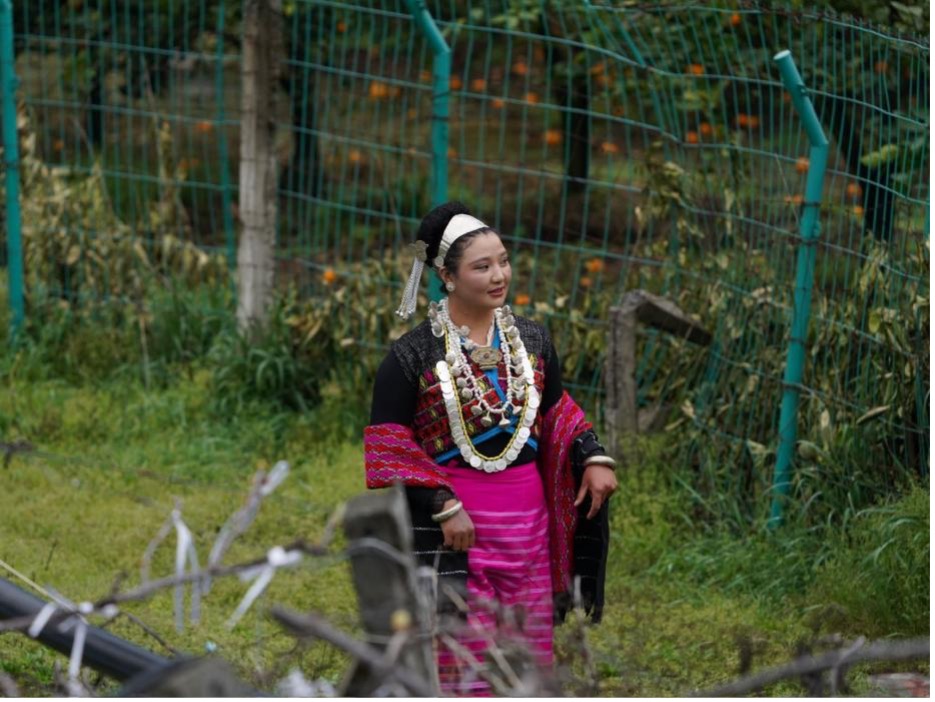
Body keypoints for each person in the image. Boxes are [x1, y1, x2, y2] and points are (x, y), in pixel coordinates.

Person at [364, 201, 617, 695]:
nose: (499, 274)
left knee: (529, 646)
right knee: (464, 645)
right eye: (482, 266)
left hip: (529, 521)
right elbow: (388, 446)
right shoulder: (413, 355)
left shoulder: (533, 341)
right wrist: (441, 505)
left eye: (503, 260)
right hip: (460, 527)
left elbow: (554, 409)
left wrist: (590, 454)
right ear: (447, 276)